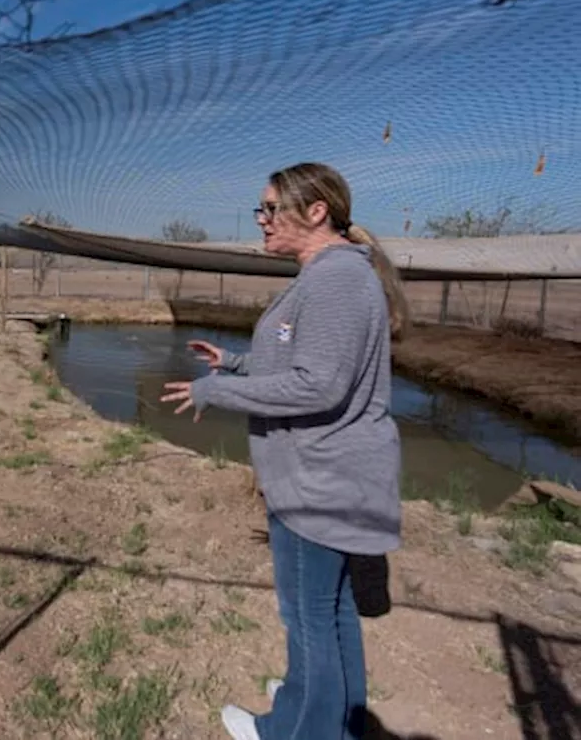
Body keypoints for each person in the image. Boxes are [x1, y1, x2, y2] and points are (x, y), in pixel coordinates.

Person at [160, 162, 409, 740]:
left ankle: (295, 729)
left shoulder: (337, 280)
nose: (262, 221)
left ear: (315, 211)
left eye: (271, 208)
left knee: (308, 618)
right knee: (330, 612)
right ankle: (321, 709)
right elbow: (308, 365)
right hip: (324, 476)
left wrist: (217, 389)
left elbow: (320, 385)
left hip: (318, 480)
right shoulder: (330, 275)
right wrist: (237, 363)